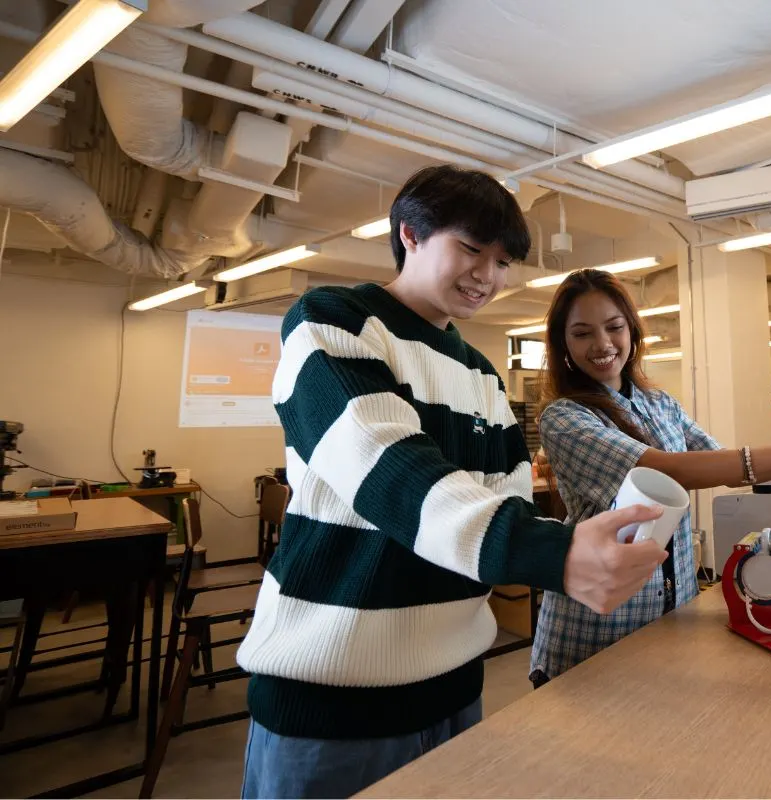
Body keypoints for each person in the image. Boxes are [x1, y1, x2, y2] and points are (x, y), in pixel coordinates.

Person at [237, 167, 667, 799]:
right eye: (470, 249)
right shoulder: (334, 322)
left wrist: (570, 545)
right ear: (409, 233)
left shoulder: (483, 377)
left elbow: (505, 505)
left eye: (501, 262)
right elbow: (386, 466)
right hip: (332, 698)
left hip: (456, 690)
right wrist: (550, 552)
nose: (486, 276)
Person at [528, 269, 771, 686]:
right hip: (598, 629)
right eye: (581, 333)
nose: (602, 344)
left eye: (614, 327)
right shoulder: (565, 417)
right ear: (563, 345)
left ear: (631, 329)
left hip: (670, 614)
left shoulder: (659, 403)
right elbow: (664, 470)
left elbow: (720, 462)